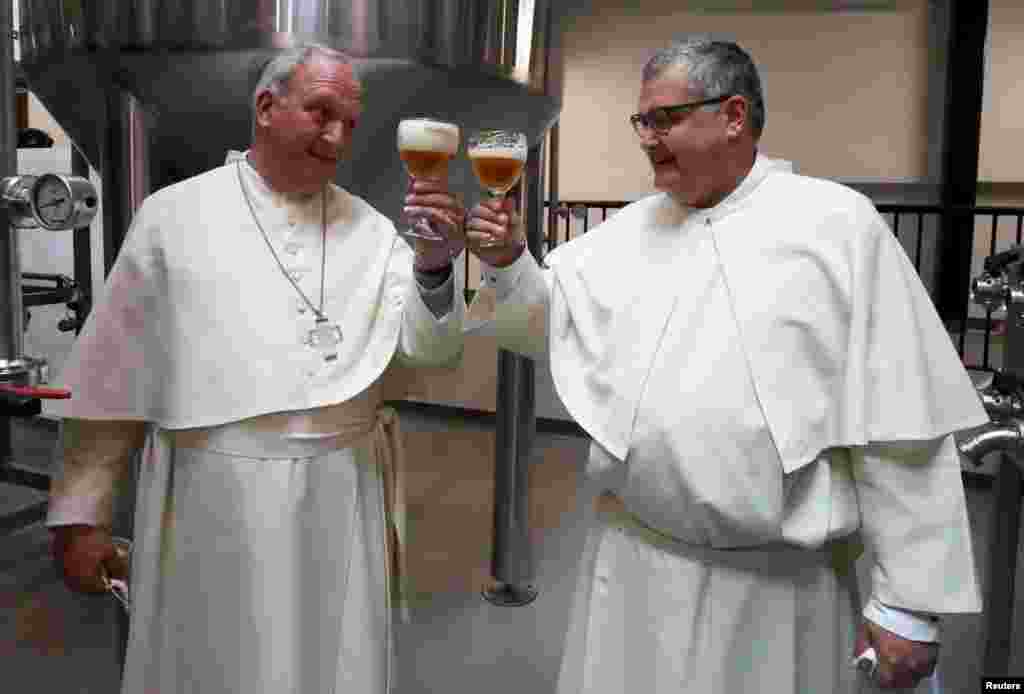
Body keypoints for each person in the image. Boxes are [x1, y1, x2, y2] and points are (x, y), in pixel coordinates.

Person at [464, 38, 987, 693]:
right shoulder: (628, 233)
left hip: (774, 596)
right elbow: (539, 326)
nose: (648, 138)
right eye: (643, 122)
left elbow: (901, 421)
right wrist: (510, 263)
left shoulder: (836, 228)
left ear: (734, 115)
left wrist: (909, 600)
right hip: (634, 576)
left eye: (666, 119)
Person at [46, 43, 466, 693]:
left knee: (331, 664)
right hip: (215, 497)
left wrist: (435, 267)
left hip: (340, 491)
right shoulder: (173, 219)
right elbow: (112, 377)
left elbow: (429, 351)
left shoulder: (374, 231)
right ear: (266, 108)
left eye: (350, 124)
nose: (337, 137)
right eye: (321, 113)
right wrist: (83, 515)